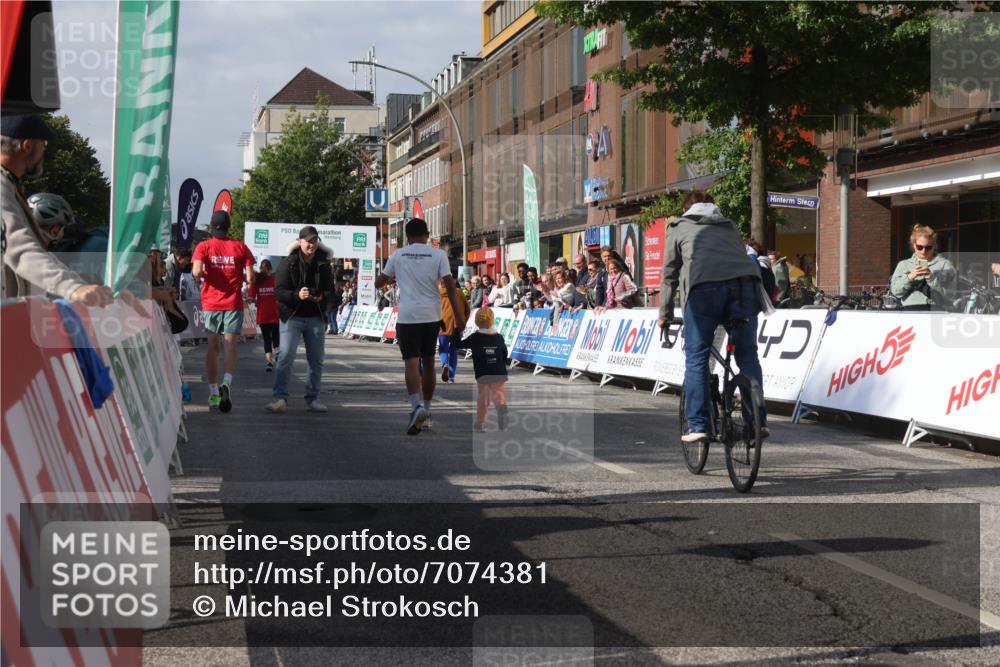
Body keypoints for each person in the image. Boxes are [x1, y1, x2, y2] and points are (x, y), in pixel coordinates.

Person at [658, 191, 769, 443]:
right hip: (745, 287)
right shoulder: (728, 224)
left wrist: (664, 314)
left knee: (697, 358)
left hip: (704, 289)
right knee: (748, 356)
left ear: (686, 209)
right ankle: (757, 420)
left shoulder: (678, 227)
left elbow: (669, 275)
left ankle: (698, 425)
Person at [1, 113, 112, 305]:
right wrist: (73, 288)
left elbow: (38, 255)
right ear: (27, 146)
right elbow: (20, 248)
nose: (45, 152)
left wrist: (98, 291)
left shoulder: (10, 186)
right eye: (43, 144)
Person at [376, 218, 466, 435]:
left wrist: (394, 277)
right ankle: (426, 410)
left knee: (411, 362)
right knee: (428, 360)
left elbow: (380, 282)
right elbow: (451, 287)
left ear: (407, 236)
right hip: (432, 316)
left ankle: (415, 406)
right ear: (427, 234)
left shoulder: (398, 255)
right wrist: (459, 318)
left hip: (408, 316)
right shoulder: (438, 255)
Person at [265, 226, 334, 413]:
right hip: (292, 316)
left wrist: (321, 297)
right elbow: (278, 292)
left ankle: (313, 398)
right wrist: (297, 295)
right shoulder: (289, 262)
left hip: (315, 317)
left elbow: (330, 292)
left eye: (315, 241)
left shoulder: (324, 264)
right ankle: (280, 398)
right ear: (300, 241)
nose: (311, 245)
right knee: (286, 356)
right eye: (308, 241)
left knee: (316, 360)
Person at [191, 210, 255, 412]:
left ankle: (212, 393)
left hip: (211, 304)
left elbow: (196, 272)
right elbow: (251, 278)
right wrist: (239, 276)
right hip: (233, 304)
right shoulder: (240, 247)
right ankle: (226, 382)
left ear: (211, 227)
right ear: (228, 227)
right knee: (231, 345)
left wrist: (202, 273)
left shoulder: (204, 246)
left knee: (213, 347)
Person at [457, 307, 509, 432]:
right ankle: (502, 410)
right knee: (499, 394)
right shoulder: (499, 337)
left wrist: (456, 333)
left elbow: (459, 345)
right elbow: (504, 353)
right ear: (492, 320)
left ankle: (481, 422)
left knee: (483, 397)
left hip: (483, 371)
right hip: (499, 371)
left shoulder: (475, 337)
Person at [889, 224, 956, 311]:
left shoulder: (945, 265)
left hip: (937, 311)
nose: (923, 251)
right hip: (911, 311)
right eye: (919, 247)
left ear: (934, 246)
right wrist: (910, 277)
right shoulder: (904, 265)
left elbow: (952, 294)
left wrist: (932, 279)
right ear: (914, 245)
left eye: (928, 247)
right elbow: (895, 292)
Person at [439, 277, 471, 385]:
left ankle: (445, 364)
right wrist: (464, 321)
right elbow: (467, 308)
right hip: (458, 324)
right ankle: (451, 377)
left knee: (443, 348)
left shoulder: (437, 293)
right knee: (454, 350)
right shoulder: (459, 292)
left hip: (443, 324)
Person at [249, 259, 280, 371]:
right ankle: (277, 354)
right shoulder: (274, 280)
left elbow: (251, 298)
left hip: (263, 315)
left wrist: (254, 301)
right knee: (276, 337)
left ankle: (269, 362)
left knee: (267, 339)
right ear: (270, 269)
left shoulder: (256, 282)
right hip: (274, 313)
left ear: (261, 268)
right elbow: (279, 297)